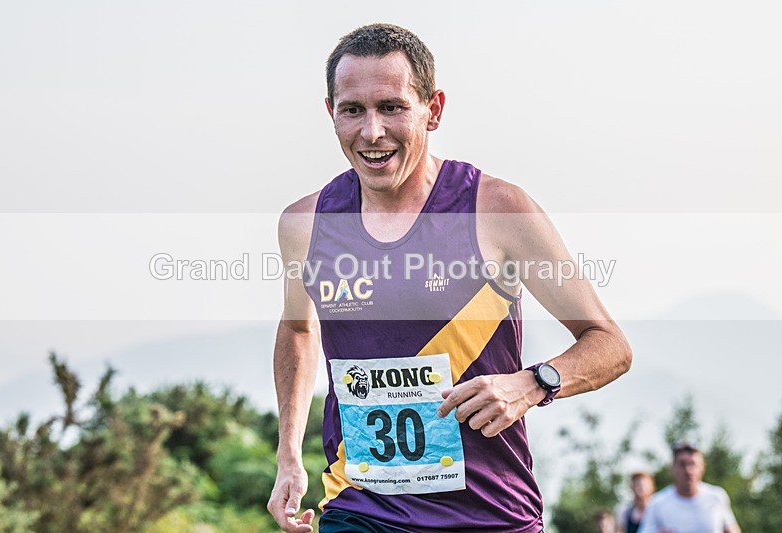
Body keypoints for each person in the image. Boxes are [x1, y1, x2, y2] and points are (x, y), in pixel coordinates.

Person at [266, 23, 632, 533]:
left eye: (391, 107)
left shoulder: (497, 210)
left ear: (433, 110)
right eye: (353, 110)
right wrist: (288, 456)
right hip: (361, 508)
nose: (371, 132)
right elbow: (298, 330)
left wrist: (532, 384)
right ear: (331, 113)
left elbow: (610, 344)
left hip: (489, 514)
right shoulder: (306, 225)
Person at [638, 443, 740, 533]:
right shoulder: (657, 503)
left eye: (693, 464)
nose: (688, 470)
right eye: (682, 464)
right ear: (672, 468)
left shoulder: (717, 496)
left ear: (702, 467)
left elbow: (732, 528)